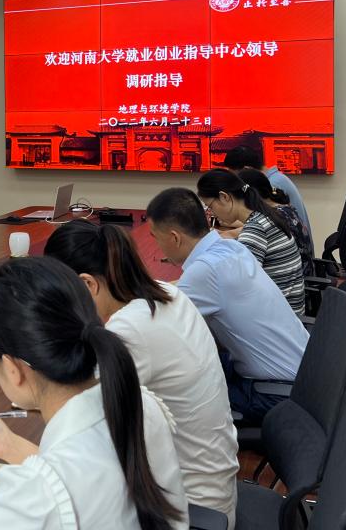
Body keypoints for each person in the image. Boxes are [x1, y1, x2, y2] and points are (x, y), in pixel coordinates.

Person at [0, 257, 188, 530]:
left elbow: (57, 487)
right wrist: (9, 445)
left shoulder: (33, 494)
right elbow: (83, 472)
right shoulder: (140, 403)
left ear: (13, 369)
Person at [44, 220, 238, 525]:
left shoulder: (129, 329)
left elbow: (77, 423)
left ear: (87, 285)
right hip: (214, 488)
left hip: (188, 508)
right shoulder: (165, 292)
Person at [146, 188, 308, 424]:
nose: (157, 245)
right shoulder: (232, 249)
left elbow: (156, 327)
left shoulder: (204, 272)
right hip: (303, 374)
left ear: (174, 237)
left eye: (155, 237)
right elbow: (189, 288)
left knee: (166, 390)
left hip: (274, 393)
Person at [197, 169, 305, 317]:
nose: (211, 213)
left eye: (210, 206)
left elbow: (241, 286)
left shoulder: (255, 228)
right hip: (289, 311)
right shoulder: (265, 216)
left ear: (224, 197)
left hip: (280, 317)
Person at [239, 168, 315, 284]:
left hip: (295, 283)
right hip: (302, 275)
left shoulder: (271, 219)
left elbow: (246, 278)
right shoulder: (284, 210)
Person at [220, 145, 311, 234]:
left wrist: (227, 225)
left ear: (247, 170)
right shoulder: (275, 178)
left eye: (235, 176)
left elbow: (264, 225)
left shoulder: (271, 183)